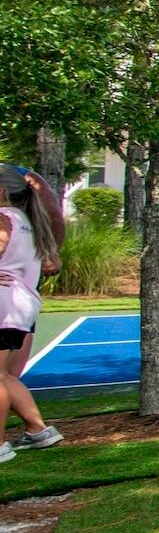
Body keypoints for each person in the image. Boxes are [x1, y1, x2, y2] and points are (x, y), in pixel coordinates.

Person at [0, 165, 66, 460]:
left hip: (5, 305)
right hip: (22, 306)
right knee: (4, 376)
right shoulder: (28, 221)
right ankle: (39, 431)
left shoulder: (4, 220)